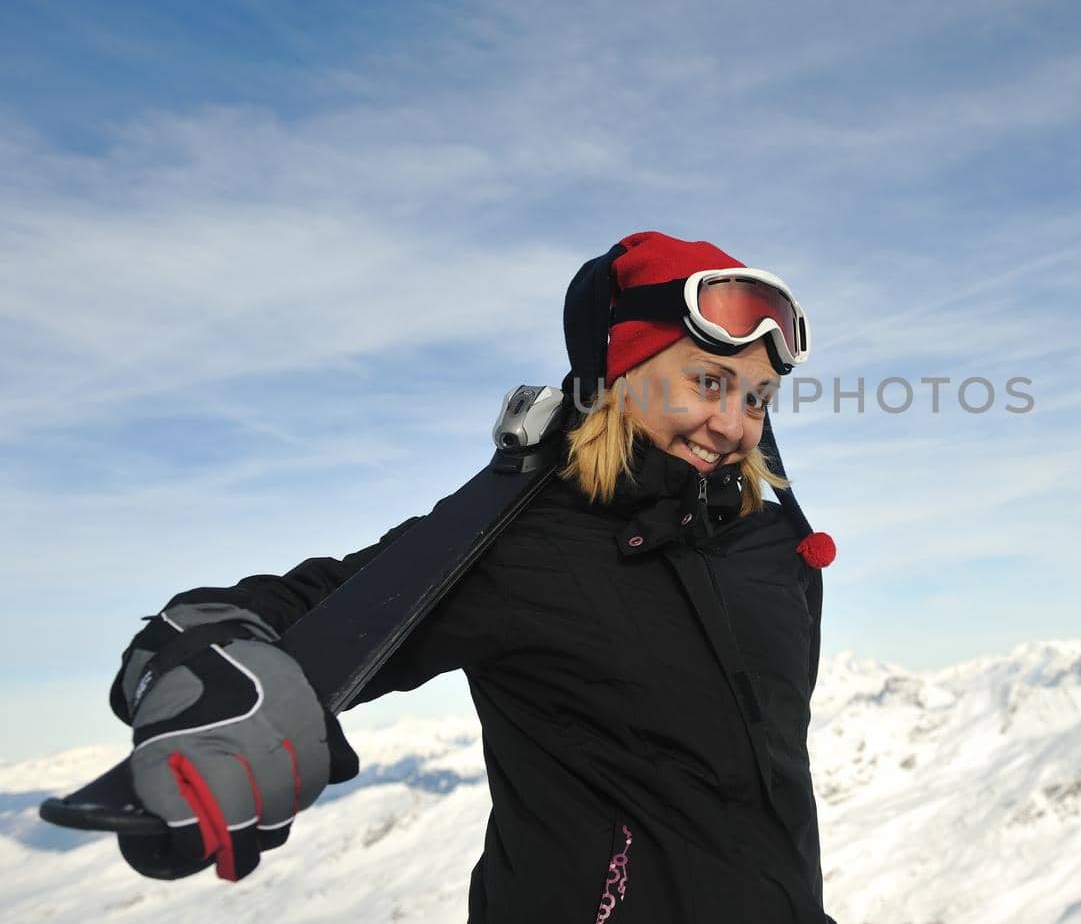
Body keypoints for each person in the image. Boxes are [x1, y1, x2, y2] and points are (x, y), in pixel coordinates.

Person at [108, 230, 838, 923]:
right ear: (622, 376)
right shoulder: (525, 542)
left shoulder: (769, 548)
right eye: (709, 381)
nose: (734, 424)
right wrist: (204, 656)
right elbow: (322, 603)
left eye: (757, 397)